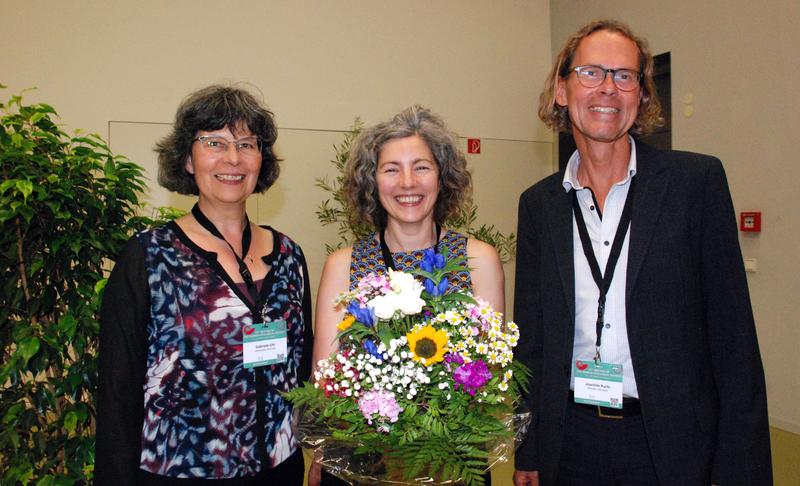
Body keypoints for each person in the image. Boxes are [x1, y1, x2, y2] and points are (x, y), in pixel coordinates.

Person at [513, 19, 771, 486]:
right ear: (561, 90)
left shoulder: (696, 184)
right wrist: (528, 448)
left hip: (673, 444)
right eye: (591, 72)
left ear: (643, 95)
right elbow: (531, 337)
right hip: (570, 442)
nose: (608, 88)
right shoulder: (538, 204)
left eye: (625, 76)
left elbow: (734, 341)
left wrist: (742, 466)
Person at [96, 85, 312, 484]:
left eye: (247, 144)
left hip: (279, 468)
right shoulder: (147, 258)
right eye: (214, 142)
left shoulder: (289, 256)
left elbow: (301, 372)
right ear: (187, 159)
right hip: (180, 471)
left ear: (261, 160)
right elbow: (116, 392)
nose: (233, 157)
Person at [308, 106, 505, 486]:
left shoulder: (478, 259)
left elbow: (491, 374)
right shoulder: (342, 265)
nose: (407, 183)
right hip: (362, 461)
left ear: (443, 177)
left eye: (421, 167)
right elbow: (325, 381)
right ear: (372, 181)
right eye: (391, 169)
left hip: (451, 461)